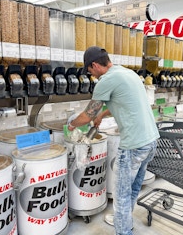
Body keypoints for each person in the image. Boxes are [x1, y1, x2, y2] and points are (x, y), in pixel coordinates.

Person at [67, 46, 160, 235]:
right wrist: (102, 114)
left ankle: (123, 231)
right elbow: (123, 100)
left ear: (95, 65)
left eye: (89, 71)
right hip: (151, 141)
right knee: (133, 188)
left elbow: (86, 116)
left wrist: (71, 125)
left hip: (133, 146)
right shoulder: (128, 73)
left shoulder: (106, 81)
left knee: (121, 196)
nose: (91, 75)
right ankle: (124, 221)